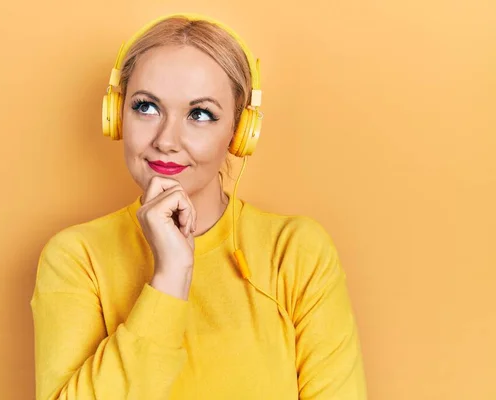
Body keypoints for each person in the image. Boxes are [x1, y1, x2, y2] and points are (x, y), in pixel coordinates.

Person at [30, 13, 367, 400]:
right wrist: (170, 276)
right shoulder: (75, 258)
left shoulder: (295, 252)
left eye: (200, 114)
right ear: (116, 115)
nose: (167, 140)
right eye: (146, 107)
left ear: (239, 133)